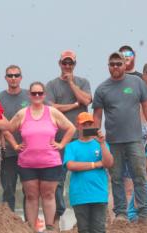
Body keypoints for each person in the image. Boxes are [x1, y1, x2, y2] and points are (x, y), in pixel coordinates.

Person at [92, 52, 147, 223]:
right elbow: (97, 115)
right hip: (113, 141)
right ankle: (121, 213)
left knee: (139, 175)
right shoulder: (102, 89)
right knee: (116, 178)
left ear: (125, 65)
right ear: (108, 66)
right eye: (112, 64)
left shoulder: (136, 82)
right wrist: (95, 135)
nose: (115, 67)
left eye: (118, 64)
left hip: (135, 139)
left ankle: (144, 214)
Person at [6, 82, 74, 232]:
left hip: (50, 162)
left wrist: (61, 144)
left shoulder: (52, 112)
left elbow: (71, 128)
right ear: (29, 95)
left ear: (44, 95)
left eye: (40, 93)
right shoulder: (23, 113)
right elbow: (7, 130)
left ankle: (49, 228)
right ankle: (31, 230)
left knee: (49, 195)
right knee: (31, 196)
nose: (37, 96)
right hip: (27, 163)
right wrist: (15, 145)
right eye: (34, 93)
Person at [45, 50, 93, 223]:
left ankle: (84, 217)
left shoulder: (83, 82)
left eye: (70, 63)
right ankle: (57, 217)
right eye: (64, 63)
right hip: (60, 139)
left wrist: (72, 83)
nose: (67, 66)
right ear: (59, 64)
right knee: (58, 179)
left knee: (84, 176)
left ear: (74, 65)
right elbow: (51, 108)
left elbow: (86, 101)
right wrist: (74, 104)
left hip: (83, 138)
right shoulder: (51, 85)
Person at [64, 113, 113, 233]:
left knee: (99, 231)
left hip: (98, 194)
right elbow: (71, 165)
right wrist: (94, 164)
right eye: (84, 124)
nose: (87, 127)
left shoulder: (100, 144)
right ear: (78, 126)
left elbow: (108, 163)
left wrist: (103, 144)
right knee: (84, 231)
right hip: (79, 194)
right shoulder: (72, 146)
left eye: (90, 124)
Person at [0, 65, 30, 209]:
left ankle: (29, 226)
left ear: (21, 77)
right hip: (8, 152)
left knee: (29, 191)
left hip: (29, 151)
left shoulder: (30, 96)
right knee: (8, 190)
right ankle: (9, 224)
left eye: (16, 75)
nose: (13, 78)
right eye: (10, 76)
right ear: (5, 78)